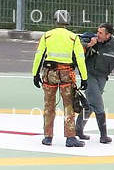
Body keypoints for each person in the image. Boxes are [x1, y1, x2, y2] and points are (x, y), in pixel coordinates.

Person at [31, 9, 88, 147]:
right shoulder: (73, 37)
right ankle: (70, 137)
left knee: (48, 106)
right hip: (66, 74)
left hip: (49, 74)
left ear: (55, 20)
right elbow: (80, 59)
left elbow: (39, 55)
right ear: (68, 21)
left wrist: (35, 74)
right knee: (69, 105)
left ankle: (47, 136)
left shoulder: (47, 36)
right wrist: (84, 78)